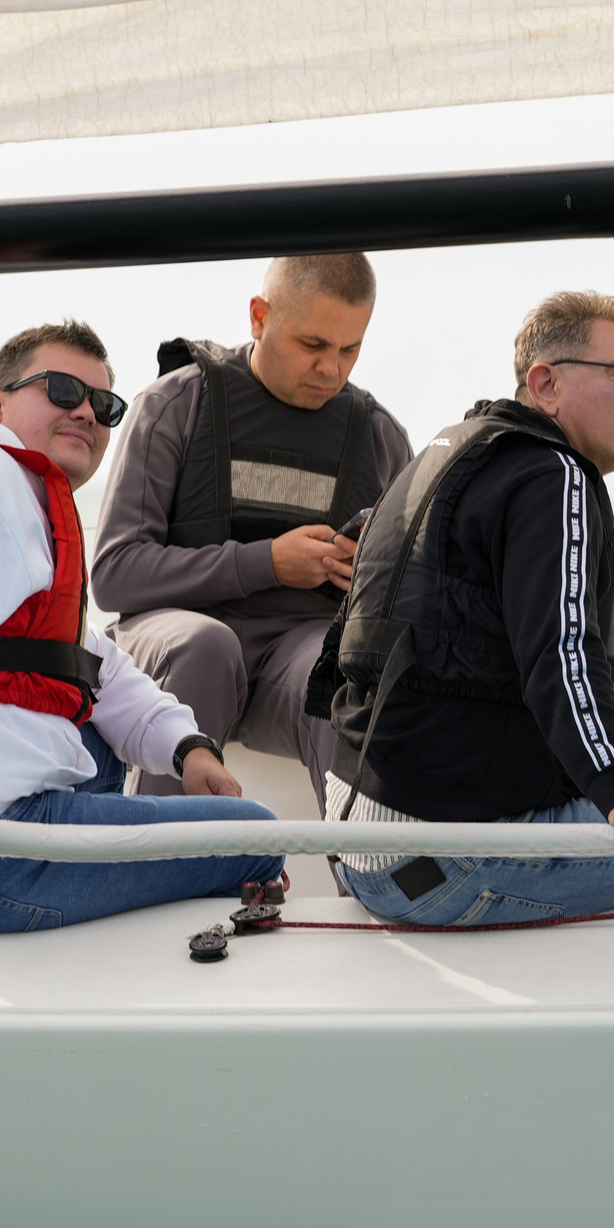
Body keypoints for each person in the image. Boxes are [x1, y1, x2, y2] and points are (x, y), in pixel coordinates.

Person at [0, 321, 285, 931]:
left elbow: (87, 662)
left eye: (104, 404)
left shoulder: (16, 494)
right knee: (255, 836)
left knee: (92, 728)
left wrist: (186, 747)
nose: (86, 413)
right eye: (63, 390)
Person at [313, 291, 614, 926]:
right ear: (547, 384)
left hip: (359, 848)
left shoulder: (448, 454)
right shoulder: (552, 475)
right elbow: (560, 657)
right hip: (444, 861)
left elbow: (487, 680)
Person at [93, 255, 412, 811]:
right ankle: (157, 871)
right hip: (176, 650)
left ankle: (365, 881)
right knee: (206, 646)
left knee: (351, 666)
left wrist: (365, 574)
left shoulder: (382, 437)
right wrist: (268, 561)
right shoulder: (175, 404)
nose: (331, 370)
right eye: (313, 345)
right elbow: (115, 575)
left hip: (295, 658)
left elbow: (407, 602)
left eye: (349, 349)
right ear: (259, 317)